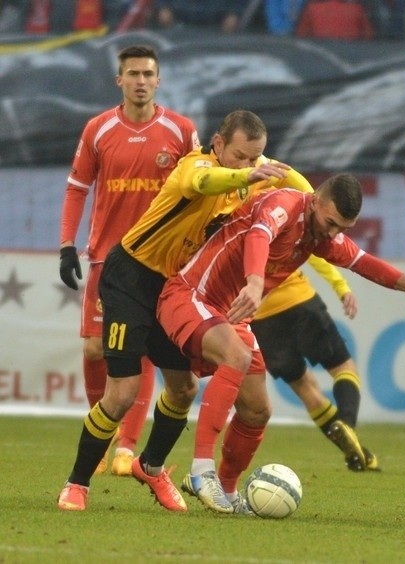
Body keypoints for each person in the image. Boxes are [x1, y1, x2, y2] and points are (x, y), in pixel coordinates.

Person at [158, 173, 405, 514]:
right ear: (315, 199)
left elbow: (364, 263)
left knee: (258, 411)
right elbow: (259, 235)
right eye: (330, 222)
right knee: (237, 357)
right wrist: (255, 282)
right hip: (191, 294)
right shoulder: (284, 204)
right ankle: (201, 471)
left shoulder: (320, 237)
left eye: (341, 228)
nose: (332, 233)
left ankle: (225, 491)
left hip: (230, 315)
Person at [57, 109, 301, 512]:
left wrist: (310, 200)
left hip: (171, 288)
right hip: (131, 277)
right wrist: (246, 175)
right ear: (218, 144)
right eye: (240, 156)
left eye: (255, 158)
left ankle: (151, 467)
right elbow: (206, 181)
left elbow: (295, 190)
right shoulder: (197, 165)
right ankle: (77, 483)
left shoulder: (245, 179)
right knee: (123, 393)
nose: (248, 165)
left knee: (184, 388)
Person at [58, 44, 198, 477]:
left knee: (143, 353)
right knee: (96, 348)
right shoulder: (98, 129)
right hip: (107, 261)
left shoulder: (180, 130)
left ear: (159, 80)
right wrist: (67, 245)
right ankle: (101, 436)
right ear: (119, 80)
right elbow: (77, 187)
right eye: (133, 74)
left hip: (162, 262)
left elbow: (200, 185)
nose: (141, 81)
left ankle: (128, 447)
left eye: (148, 74)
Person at [250, 250, 380, 473]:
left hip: (260, 318)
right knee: (343, 368)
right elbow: (312, 251)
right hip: (298, 299)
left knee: (305, 388)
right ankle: (347, 424)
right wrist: (340, 286)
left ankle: (361, 455)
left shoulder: (232, 225)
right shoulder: (277, 219)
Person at [294, 0, 375, 40]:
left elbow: (300, 39)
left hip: (319, 63)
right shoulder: (357, 9)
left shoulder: (312, 9)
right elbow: (370, 38)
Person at [153, 0, 247, 33]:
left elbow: (238, 5)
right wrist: (163, 7)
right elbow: (162, 6)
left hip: (216, 26)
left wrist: (234, 13)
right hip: (180, 26)